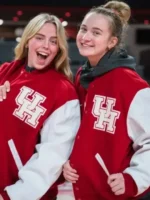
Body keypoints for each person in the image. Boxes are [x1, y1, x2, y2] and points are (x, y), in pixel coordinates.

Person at [63, 1, 150, 200]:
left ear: (112, 41)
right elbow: (76, 130)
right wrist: (67, 160)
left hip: (113, 194)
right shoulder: (81, 75)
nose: (85, 37)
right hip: (80, 191)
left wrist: (134, 178)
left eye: (96, 32)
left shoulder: (133, 86)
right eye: (83, 29)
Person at [0, 13, 80, 200]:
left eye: (53, 41)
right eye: (39, 38)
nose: (46, 45)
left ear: (58, 48)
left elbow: (52, 157)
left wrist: (11, 195)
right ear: (28, 41)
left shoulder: (63, 92)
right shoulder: (5, 72)